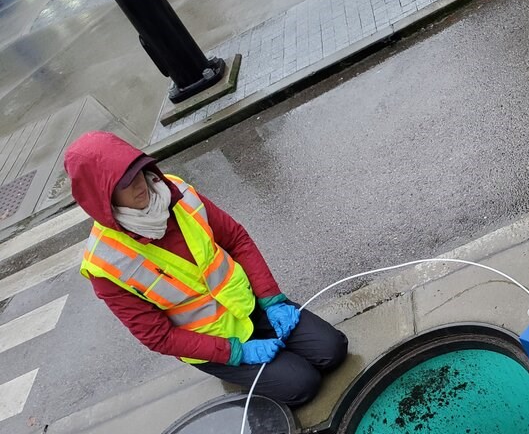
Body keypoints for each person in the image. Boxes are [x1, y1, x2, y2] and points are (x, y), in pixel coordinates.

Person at [65, 131, 348, 406]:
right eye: (124, 184)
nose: (140, 184)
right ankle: (250, 371)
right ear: (103, 197)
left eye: (137, 171)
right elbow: (159, 337)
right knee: (303, 385)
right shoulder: (105, 264)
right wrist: (235, 352)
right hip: (215, 342)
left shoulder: (178, 193)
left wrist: (272, 299)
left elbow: (237, 239)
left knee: (333, 350)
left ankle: (276, 351)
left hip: (251, 307)